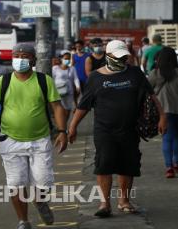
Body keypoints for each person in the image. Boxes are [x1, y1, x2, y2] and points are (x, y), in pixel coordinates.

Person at [68, 40, 167, 217]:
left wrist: (163, 117)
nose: (122, 60)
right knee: (104, 164)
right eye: (118, 56)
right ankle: (104, 203)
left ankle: (124, 201)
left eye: (124, 56)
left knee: (128, 165)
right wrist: (72, 126)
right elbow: (83, 106)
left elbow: (152, 97)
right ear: (108, 56)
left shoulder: (135, 73)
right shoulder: (95, 78)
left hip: (130, 129)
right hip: (104, 130)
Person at [0, 43, 68, 229]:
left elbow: (57, 107)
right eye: (16, 55)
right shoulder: (2, 82)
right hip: (10, 140)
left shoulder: (43, 80)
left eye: (25, 55)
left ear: (33, 60)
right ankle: (23, 222)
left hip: (40, 139)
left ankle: (39, 200)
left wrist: (62, 131)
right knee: (16, 183)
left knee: (44, 181)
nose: (20, 58)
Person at [148, 46, 178, 178]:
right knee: (176, 137)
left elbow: (147, 90)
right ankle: (176, 162)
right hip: (177, 109)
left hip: (162, 112)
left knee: (166, 138)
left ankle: (169, 167)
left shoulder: (155, 73)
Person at [52, 50, 80, 120]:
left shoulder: (72, 68)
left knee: (68, 108)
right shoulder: (55, 68)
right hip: (58, 91)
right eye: (65, 58)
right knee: (59, 108)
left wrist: (78, 87)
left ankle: (65, 125)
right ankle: (61, 126)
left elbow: (76, 79)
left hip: (69, 91)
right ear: (61, 59)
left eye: (68, 59)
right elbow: (52, 79)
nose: (67, 60)